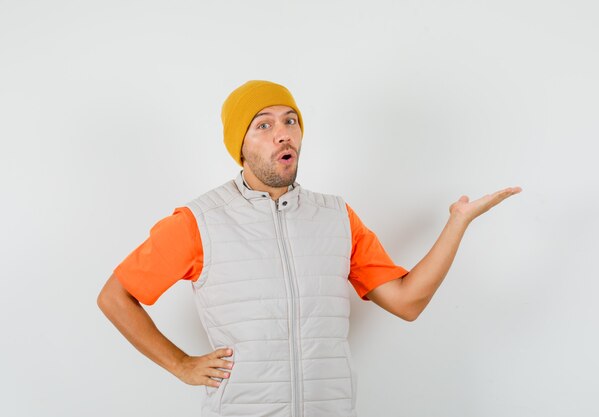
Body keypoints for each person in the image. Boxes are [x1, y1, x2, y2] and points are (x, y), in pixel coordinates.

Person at [97, 80, 522, 417]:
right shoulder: (199, 222)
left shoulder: (336, 217)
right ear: (239, 145)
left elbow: (407, 302)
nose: (283, 134)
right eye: (263, 125)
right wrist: (180, 364)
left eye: (290, 121)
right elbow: (116, 297)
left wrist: (457, 223)